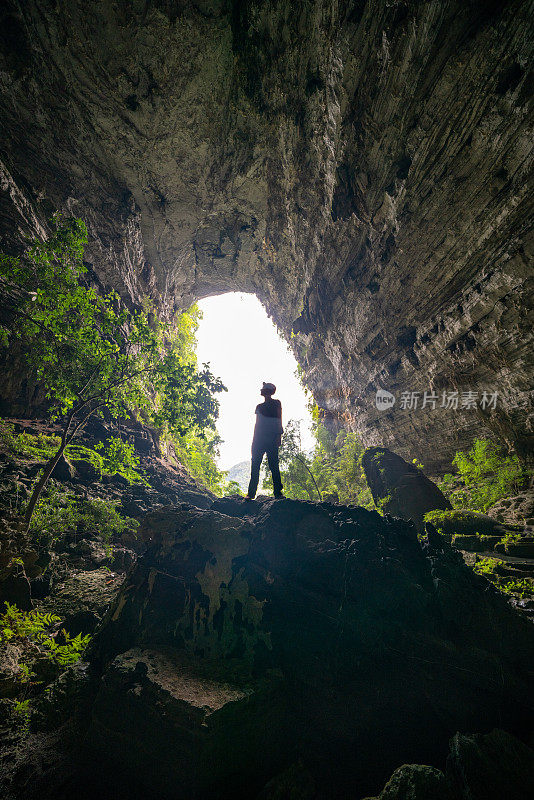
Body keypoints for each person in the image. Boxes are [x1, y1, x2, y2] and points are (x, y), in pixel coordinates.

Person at [246, 382, 284, 500]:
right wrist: (254, 442)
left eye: (264, 390)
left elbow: (279, 419)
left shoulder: (276, 403)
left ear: (267, 392)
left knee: (273, 466)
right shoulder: (259, 407)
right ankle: (251, 494)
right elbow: (257, 425)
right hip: (260, 439)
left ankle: (278, 492)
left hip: (270, 439)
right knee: (256, 466)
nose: (262, 392)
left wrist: (279, 436)